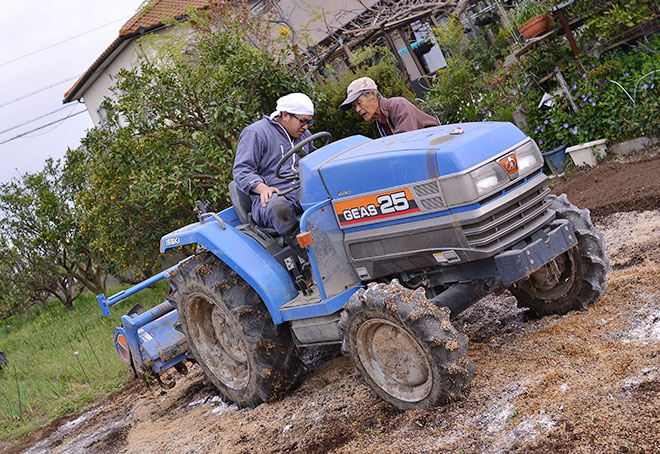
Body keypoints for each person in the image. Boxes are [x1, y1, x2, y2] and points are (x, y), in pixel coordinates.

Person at [233, 93, 315, 246]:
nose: (306, 127)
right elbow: (242, 170)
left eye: (309, 122)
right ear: (285, 115)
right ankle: (302, 251)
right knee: (278, 206)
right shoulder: (256, 133)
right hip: (271, 198)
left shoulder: (305, 135)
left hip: (301, 191)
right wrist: (263, 188)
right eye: (303, 121)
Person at [340, 76, 439, 137]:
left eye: (359, 103)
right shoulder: (377, 123)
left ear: (373, 95)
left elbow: (405, 143)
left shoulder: (398, 105)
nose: (357, 110)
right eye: (354, 106)